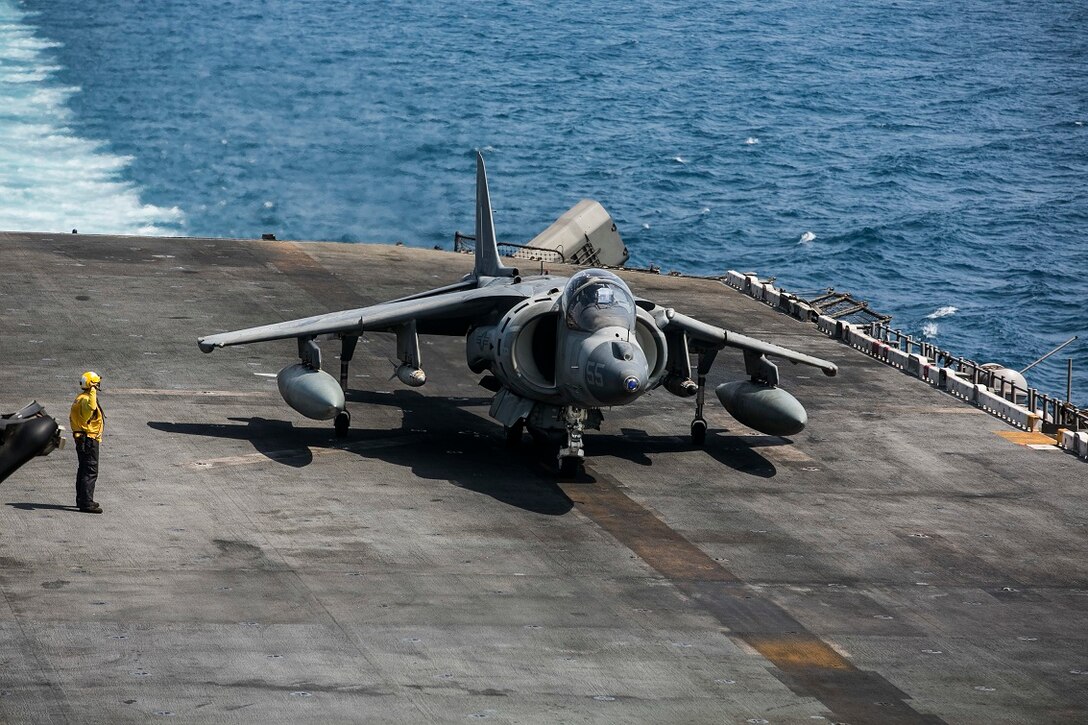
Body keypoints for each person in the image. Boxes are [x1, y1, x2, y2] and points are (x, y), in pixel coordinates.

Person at [70, 371, 105, 513]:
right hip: (89, 440)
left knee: (83, 469)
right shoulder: (86, 400)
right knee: (90, 471)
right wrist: (93, 392)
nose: (98, 385)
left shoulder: (80, 397)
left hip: (83, 439)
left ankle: (82, 499)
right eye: (96, 383)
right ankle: (86, 503)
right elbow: (89, 410)